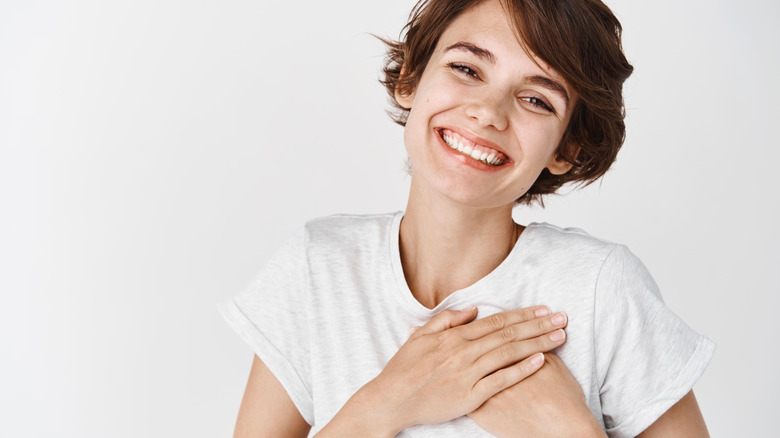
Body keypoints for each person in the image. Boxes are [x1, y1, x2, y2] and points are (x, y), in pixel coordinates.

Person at [218, 0, 715, 436]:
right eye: (468, 69)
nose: (488, 112)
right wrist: (385, 403)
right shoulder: (317, 267)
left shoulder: (601, 290)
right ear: (411, 79)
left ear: (565, 148)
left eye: (536, 99)